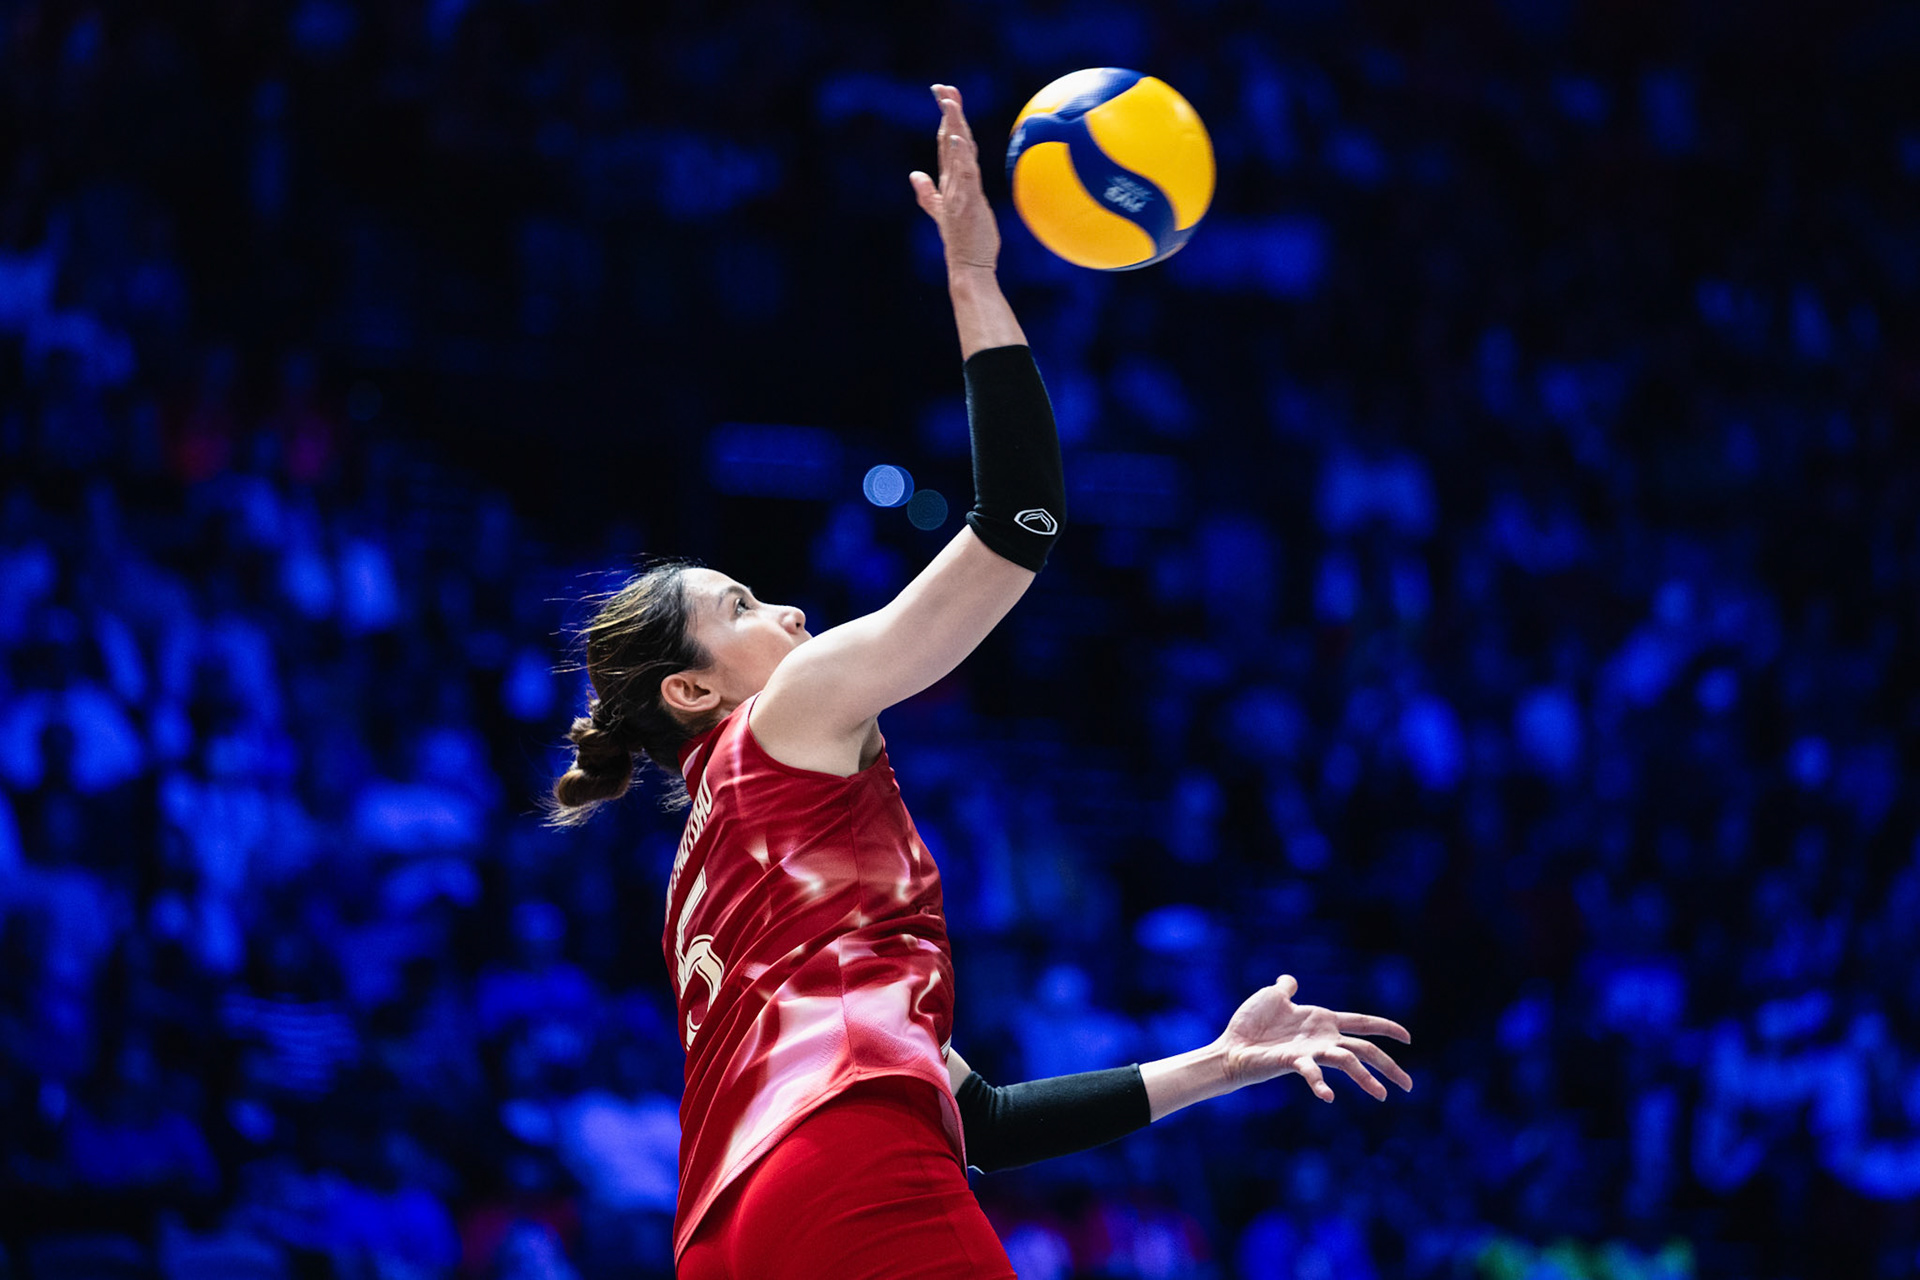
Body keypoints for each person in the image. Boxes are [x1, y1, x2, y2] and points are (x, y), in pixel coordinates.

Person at [549, 85, 1413, 1280]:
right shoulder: (787, 717)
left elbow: (987, 1118)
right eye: (741, 607)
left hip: (732, 1232)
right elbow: (1018, 526)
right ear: (692, 692)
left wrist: (1221, 1062)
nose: (789, 609)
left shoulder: (724, 858)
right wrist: (972, 276)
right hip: (844, 1168)